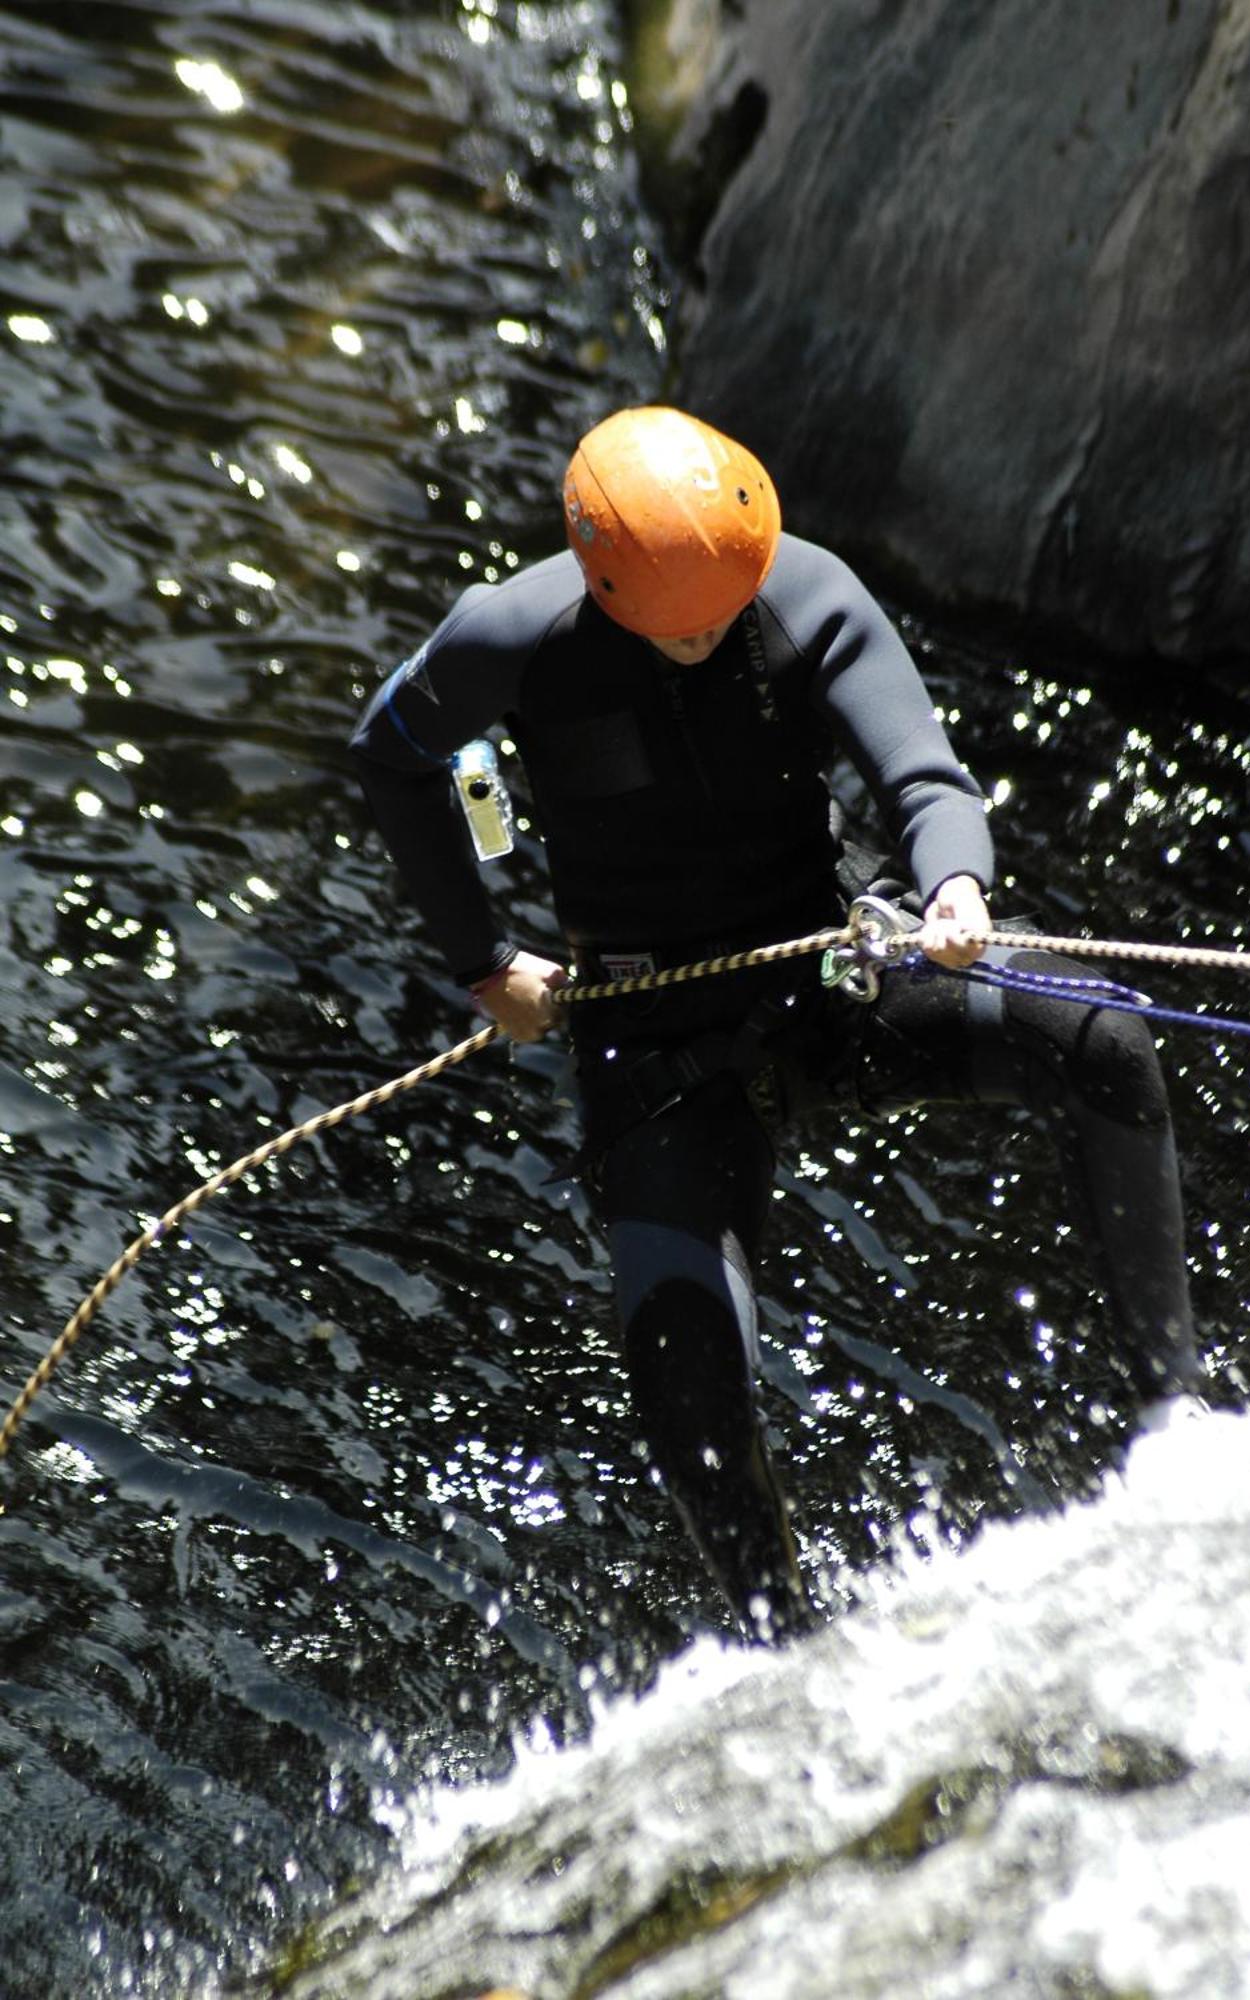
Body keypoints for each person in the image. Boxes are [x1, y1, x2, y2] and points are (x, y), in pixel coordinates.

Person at [350, 405, 1198, 1638]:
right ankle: (777, 1639)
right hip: (655, 1041)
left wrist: (954, 881)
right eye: (674, 618)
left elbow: (924, 778)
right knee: (683, 1371)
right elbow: (390, 756)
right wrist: (484, 963)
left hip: (832, 976)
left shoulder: (801, 588)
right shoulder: (510, 637)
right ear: (600, 582)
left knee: (1103, 1038)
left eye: (723, 604)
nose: (705, 630)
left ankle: (1173, 1417)